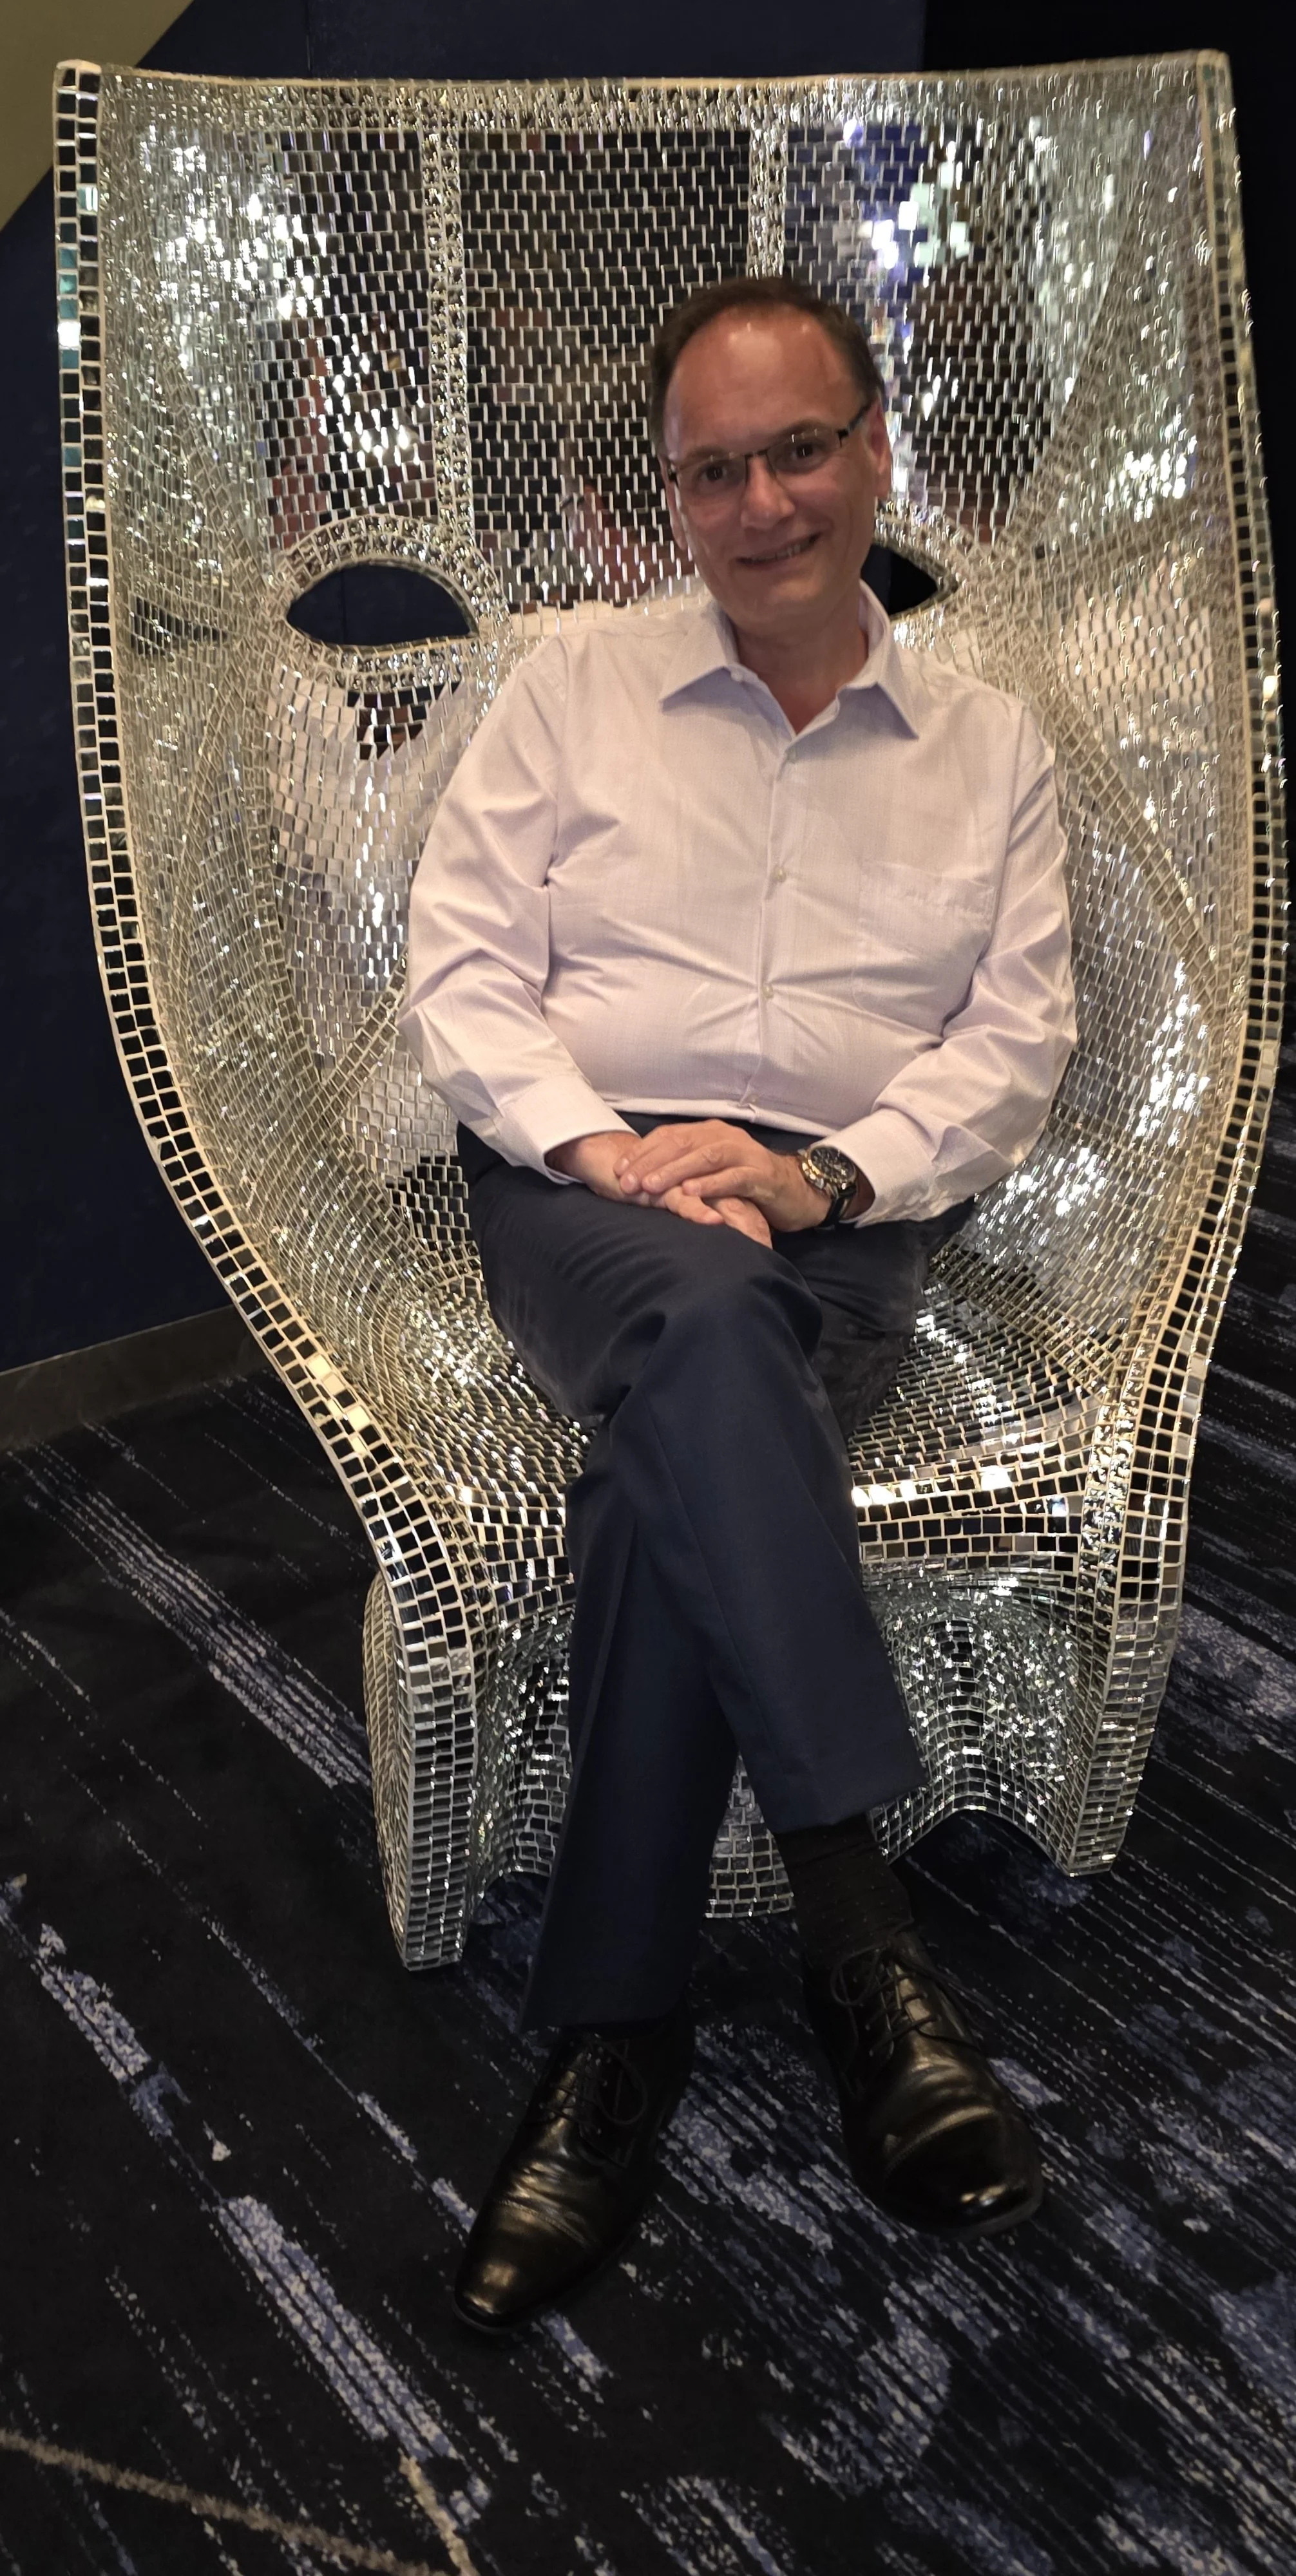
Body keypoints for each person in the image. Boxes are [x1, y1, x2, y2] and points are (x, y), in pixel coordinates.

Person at [400, 276, 1077, 2336]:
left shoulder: (990, 749)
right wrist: (608, 1156)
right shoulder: (570, 694)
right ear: (669, 504)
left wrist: (816, 1174)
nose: (764, 500)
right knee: (688, 1321)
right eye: (715, 470)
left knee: (657, 1467)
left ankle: (615, 2038)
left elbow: (1011, 1047)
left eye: (800, 451)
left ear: (875, 455)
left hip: (835, 1220)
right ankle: (860, 1940)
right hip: (592, 1195)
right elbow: (459, 972)